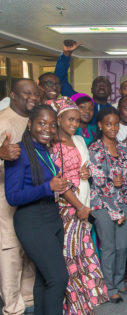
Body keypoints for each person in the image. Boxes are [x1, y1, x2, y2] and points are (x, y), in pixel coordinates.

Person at [5, 105, 69, 315]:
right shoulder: (18, 152)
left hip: (52, 216)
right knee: (58, 278)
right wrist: (47, 187)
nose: (47, 129)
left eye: (52, 125)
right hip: (32, 220)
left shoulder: (44, 150)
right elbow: (12, 197)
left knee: (44, 278)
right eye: (42, 123)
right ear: (30, 124)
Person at [48, 98, 109, 313]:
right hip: (67, 207)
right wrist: (79, 207)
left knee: (84, 252)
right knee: (69, 255)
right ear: (59, 119)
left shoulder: (80, 140)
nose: (74, 123)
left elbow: (88, 166)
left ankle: (84, 300)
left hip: (84, 200)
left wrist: (88, 172)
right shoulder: (53, 146)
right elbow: (60, 182)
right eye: (70, 119)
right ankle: (72, 304)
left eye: (76, 119)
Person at [0, 79, 38, 315]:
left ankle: (28, 299)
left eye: (35, 94)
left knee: (29, 247)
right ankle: (12, 307)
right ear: (13, 95)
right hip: (5, 199)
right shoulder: (3, 119)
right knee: (11, 251)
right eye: (26, 94)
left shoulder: (35, 121)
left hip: (30, 196)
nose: (32, 98)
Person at [88, 106, 127, 304]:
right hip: (102, 206)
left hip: (122, 201)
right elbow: (99, 183)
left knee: (122, 246)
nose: (113, 127)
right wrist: (116, 212)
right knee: (109, 247)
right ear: (100, 125)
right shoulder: (95, 149)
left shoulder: (122, 147)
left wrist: (121, 181)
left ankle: (120, 280)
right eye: (108, 123)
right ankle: (109, 287)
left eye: (116, 124)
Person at [55, 40, 112, 124]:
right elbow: (60, 81)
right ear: (92, 89)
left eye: (105, 85)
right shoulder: (78, 100)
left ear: (110, 91)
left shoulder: (112, 111)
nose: (101, 87)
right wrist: (66, 55)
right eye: (98, 85)